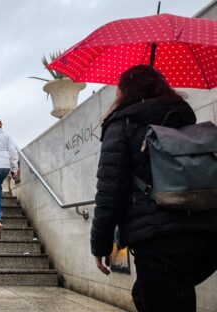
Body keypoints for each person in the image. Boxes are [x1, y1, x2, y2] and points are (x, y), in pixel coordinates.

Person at [90, 65, 217, 312]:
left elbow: (109, 192)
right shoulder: (183, 118)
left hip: (159, 240)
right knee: (149, 295)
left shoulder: (121, 125)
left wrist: (100, 246)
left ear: (124, 91)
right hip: (208, 233)